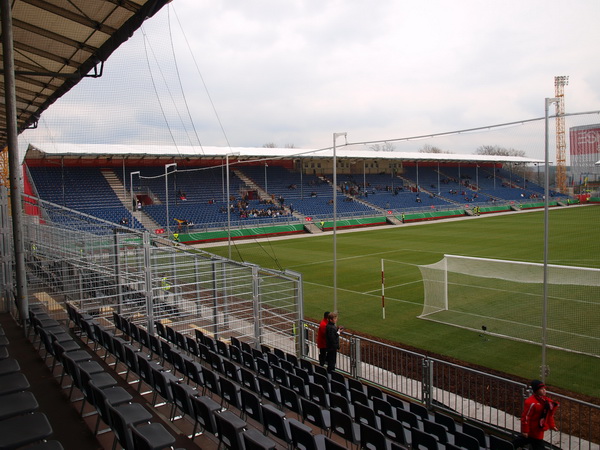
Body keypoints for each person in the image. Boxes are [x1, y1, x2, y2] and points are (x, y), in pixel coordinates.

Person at [513, 380, 559, 450]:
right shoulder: (532, 402)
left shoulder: (545, 401)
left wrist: (552, 425)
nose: (544, 390)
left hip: (537, 430)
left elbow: (548, 415)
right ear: (536, 390)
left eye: (544, 389)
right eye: (541, 389)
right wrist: (525, 430)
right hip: (534, 431)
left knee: (520, 442)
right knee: (535, 444)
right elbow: (526, 417)